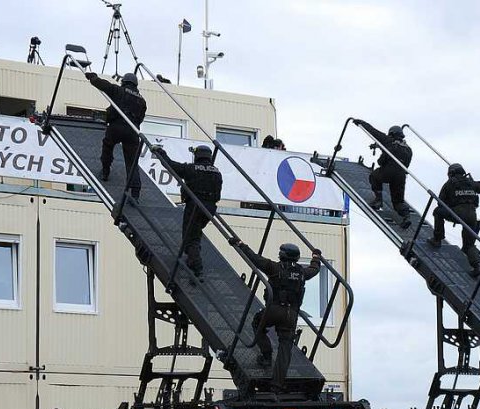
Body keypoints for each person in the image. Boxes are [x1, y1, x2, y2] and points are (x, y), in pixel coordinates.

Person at [229, 239, 322, 391]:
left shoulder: (273, 267)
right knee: (285, 348)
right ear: (297, 257)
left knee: (257, 323)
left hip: (273, 310)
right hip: (291, 315)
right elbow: (314, 269)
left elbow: (255, 259)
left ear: (281, 255)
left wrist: (240, 244)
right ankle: (277, 385)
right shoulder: (302, 273)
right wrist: (316, 256)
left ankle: (266, 356)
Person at [150, 144, 222, 281]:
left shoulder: (191, 169)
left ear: (197, 156)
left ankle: (197, 269)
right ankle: (191, 259)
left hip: (195, 207)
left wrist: (160, 152)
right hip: (210, 209)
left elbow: (171, 166)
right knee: (195, 233)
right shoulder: (217, 172)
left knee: (190, 239)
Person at [84, 72, 147, 197]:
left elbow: (103, 85)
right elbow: (140, 118)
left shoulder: (119, 90)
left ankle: (105, 171)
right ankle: (135, 192)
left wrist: (92, 77)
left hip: (116, 127)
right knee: (132, 162)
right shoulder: (142, 101)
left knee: (108, 145)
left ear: (124, 82)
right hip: (133, 131)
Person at [427, 163, 480, 278]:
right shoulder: (471, 183)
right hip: (472, 215)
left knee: (438, 211)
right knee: (469, 244)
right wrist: (474, 183)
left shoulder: (449, 184)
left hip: (457, 212)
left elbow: (440, 202)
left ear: (451, 173)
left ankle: (437, 239)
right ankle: (477, 266)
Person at [351, 119, 413, 228]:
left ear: (391, 134)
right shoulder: (408, 150)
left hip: (388, 171)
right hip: (401, 176)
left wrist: (360, 123)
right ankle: (406, 216)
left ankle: (378, 200)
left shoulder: (388, 141)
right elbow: (406, 165)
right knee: (398, 202)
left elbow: (373, 132)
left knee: (374, 176)